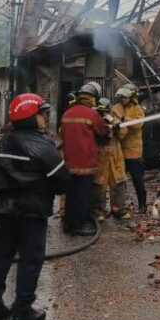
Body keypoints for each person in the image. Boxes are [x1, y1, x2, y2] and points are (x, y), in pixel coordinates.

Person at [0, 93, 69, 320]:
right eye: (42, 114)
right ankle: (22, 311)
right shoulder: (43, 146)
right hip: (32, 213)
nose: (45, 118)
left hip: (4, 212)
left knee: (0, 258)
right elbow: (62, 181)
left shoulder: (1, 145)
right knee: (30, 261)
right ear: (32, 117)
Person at [59, 82, 108, 236]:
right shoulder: (91, 114)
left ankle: (68, 224)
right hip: (86, 163)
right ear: (93, 98)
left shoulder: (67, 113)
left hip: (69, 163)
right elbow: (103, 132)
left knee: (71, 194)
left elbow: (62, 135)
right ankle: (79, 225)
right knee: (83, 195)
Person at [112, 84, 147, 213]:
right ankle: (118, 207)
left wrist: (124, 119)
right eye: (121, 97)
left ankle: (142, 206)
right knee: (118, 182)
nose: (122, 100)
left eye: (125, 97)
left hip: (134, 153)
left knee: (138, 181)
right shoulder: (115, 108)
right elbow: (113, 122)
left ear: (131, 97)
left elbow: (138, 124)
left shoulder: (137, 109)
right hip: (119, 152)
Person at [94, 97, 129, 220]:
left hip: (115, 156)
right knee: (99, 184)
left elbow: (123, 133)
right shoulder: (94, 120)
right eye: (100, 111)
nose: (103, 114)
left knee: (118, 182)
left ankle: (119, 210)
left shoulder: (114, 119)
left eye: (105, 111)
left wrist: (116, 125)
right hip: (100, 156)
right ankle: (99, 212)